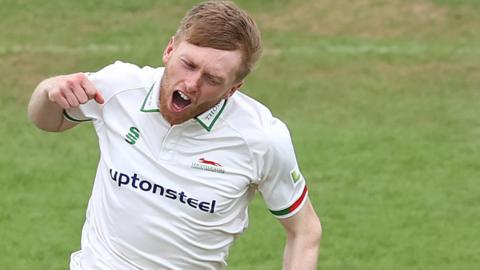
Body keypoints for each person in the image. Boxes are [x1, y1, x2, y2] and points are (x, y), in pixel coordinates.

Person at [27, 1, 321, 269]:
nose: (192, 84)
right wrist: (50, 89)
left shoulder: (261, 138)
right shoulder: (119, 88)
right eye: (188, 64)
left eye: (212, 79)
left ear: (233, 89)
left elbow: (304, 230)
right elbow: (47, 121)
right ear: (170, 50)